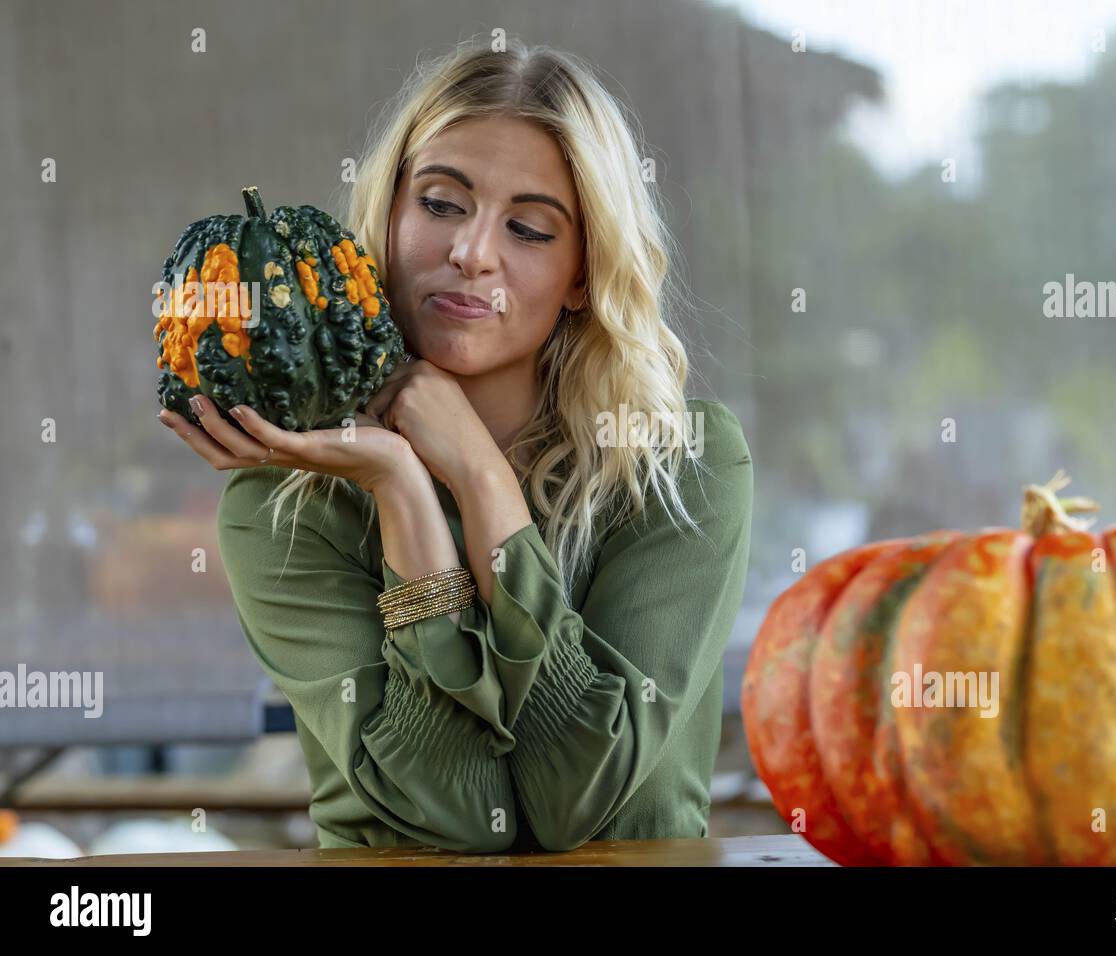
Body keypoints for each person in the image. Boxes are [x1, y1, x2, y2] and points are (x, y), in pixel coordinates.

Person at [158, 37, 753, 853]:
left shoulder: (682, 463)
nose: (472, 253)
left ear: (585, 271)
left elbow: (582, 800)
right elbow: (454, 820)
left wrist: (478, 476)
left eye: (530, 229)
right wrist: (403, 491)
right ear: (389, 215)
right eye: (441, 204)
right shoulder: (280, 505)